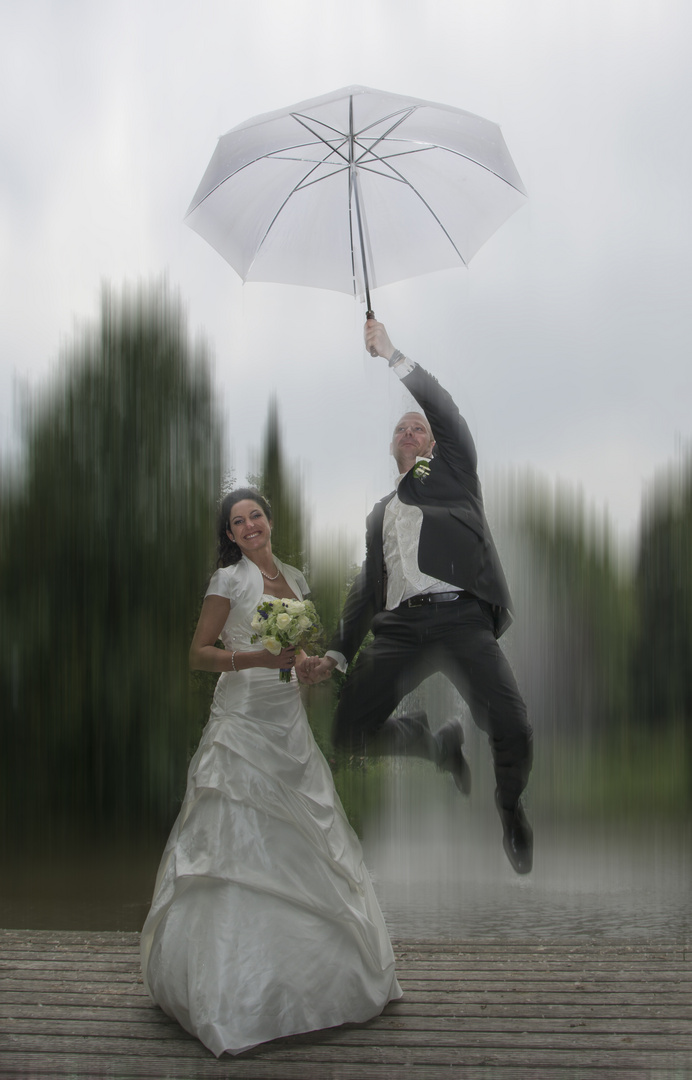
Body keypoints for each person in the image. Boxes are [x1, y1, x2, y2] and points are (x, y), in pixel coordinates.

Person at [140, 487, 402, 1057]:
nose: (250, 525)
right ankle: (232, 994)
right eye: (238, 521)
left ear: (269, 521)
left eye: (255, 514)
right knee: (237, 837)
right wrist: (258, 658)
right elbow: (199, 653)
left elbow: (302, 651)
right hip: (242, 720)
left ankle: (322, 984)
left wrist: (308, 667)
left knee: (307, 835)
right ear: (230, 536)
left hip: (287, 720)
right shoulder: (228, 582)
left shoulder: (296, 578)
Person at [307, 321, 534, 875]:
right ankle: (432, 744)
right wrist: (337, 652)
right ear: (393, 447)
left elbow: (445, 410)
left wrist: (390, 353)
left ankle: (508, 807)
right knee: (349, 729)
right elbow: (367, 590)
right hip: (400, 629)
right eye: (402, 429)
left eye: (418, 427)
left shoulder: (455, 475)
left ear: (433, 443)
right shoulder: (380, 512)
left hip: (461, 619)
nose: (410, 430)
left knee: (513, 726)